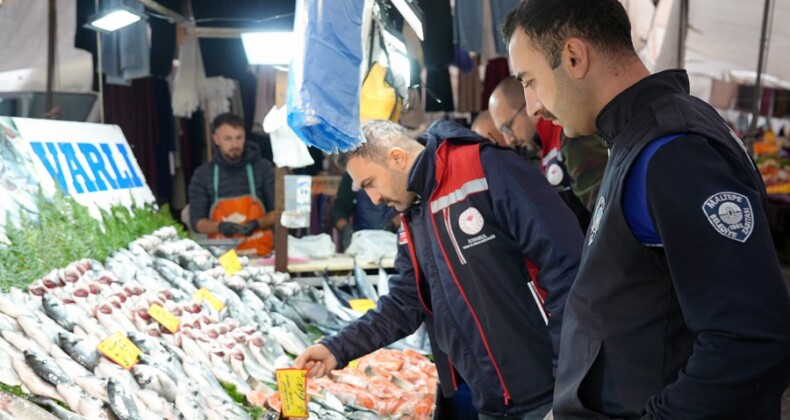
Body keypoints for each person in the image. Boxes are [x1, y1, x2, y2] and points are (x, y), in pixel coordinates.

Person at [502, 1, 790, 418]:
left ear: (574, 57)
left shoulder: (673, 151)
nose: (532, 108)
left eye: (530, 81)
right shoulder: (635, 138)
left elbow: (751, 339)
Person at [295, 119, 584, 419]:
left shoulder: (485, 167)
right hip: (492, 402)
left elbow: (565, 265)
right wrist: (336, 349)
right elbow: (404, 303)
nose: (374, 199)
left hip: (548, 392)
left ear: (397, 157)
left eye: (369, 184)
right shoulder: (414, 215)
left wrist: (570, 374)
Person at [489, 77, 608, 230]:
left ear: (527, 106)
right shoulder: (544, 149)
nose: (509, 139)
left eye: (507, 127)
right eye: (503, 132)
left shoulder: (569, 135)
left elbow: (605, 208)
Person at [188, 113, 280, 256]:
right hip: (224, 260)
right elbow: (197, 222)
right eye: (228, 139)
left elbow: (278, 212)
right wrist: (220, 227)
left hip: (261, 254)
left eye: (239, 138)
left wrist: (257, 223)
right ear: (216, 139)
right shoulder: (202, 175)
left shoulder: (263, 168)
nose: (235, 145)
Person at [332, 171, 399, 251]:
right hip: (361, 243)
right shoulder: (351, 174)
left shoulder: (394, 171)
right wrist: (345, 228)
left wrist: (394, 223)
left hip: (393, 242)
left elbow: (408, 205)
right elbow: (340, 210)